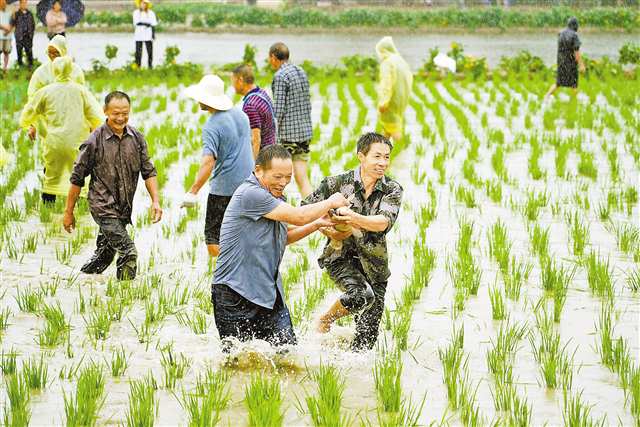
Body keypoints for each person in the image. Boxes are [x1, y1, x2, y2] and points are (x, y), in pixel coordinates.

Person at [212, 144, 349, 350]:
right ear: (258, 171)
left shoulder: (274, 198)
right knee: (237, 363)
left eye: (288, 177)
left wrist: (317, 224)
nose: (283, 183)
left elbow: (282, 236)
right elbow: (299, 216)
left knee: (287, 355)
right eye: (277, 177)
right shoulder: (250, 194)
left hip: (269, 293)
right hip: (234, 292)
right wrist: (330, 201)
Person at [303, 132, 403, 351]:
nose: (382, 163)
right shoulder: (336, 184)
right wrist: (329, 229)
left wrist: (353, 218)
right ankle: (326, 319)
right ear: (361, 156)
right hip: (340, 258)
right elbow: (305, 210)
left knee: (366, 341)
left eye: (386, 157)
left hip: (375, 265)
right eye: (377, 156)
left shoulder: (392, 189)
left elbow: (383, 222)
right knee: (360, 296)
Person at [64, 91, 162, 281]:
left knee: (104, 255)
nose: (120, 117)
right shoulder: (93, 141)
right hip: (102, 207)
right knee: (128, 252)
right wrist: (69, 212)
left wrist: (155, 201)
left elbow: (148, 171)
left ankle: (79, 281)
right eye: (116, 113)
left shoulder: (137, 138)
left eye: (125, 113)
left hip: (123, 208)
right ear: (105, 111)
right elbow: (77, 179)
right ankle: (123, 298)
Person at [181, 74, 254, 258]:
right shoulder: (241, 115)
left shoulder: (212, 126)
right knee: (241, 235)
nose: (198, 100)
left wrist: (193, 191)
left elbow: (208, 161)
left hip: (223, 190)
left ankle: (222, 277)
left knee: (213, 240)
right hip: (248, 186)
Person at [19, 56, 103, 204]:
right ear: (71, 70)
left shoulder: (44, 92)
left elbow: (28, 113)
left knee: (51, 175)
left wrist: (29, 125)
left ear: (54, 70)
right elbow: (96, 116)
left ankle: (48, 210)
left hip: (53, 143)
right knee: (79, 176)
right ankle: (77, 212)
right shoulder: (81, 91)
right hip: (76, 143)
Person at [269, 42, 313, 198]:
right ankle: (314, 210)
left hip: (288, 136)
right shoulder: (301, 71)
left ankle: (279, 213)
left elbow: (278, 110)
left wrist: (272, 136)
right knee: (302, 177)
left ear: (273, 57)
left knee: (277, 179)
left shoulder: (280, 76)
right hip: (305, 134)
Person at [231, 64, 276, 159]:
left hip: (263, 158)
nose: (232, 85)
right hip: (272, 150)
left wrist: (252, 169)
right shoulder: (261, 92)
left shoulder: (250, 105)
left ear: (240, 80)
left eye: (233, 81)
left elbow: (256, 140)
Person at [375, 36, 413, 143]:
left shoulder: (387, 63)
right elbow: (409, 79)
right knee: (387, 130)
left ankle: (404, 151)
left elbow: (386, 84)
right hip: (400, 102)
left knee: (393, 129)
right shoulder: (400, 61)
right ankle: (381, 152)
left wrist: (383, 102)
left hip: (390, 103)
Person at [545, 17, 585, 99]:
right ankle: (574, 102)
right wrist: (581, 65)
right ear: (575, 25)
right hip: (570, 63)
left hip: (561, 62)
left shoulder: (561, 33)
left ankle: (546, 96)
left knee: (558, 83)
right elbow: (576, 53)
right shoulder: (574, 35)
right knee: (574, 84)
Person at [10, 0, 35, 69]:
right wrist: (13, 15)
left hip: (28, 36)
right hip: (19, 36)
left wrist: (31, 35)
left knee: (29, 52)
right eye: (22, 3)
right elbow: (12, 23)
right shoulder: (16, 13)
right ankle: (20, 66)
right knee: (19, 52)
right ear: (20, 4)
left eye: (25, 3)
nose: (24, 4)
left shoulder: (30, 13)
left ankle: (30, 66)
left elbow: (33, 25)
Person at [133, 0, 156, 69]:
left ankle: (150, 66)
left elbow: (153, 24)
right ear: (139, 4)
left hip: (148, 34)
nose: (143, 5)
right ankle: (138, 67)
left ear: (147, 5)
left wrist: (153, 34)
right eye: (142, 3)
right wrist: (146, 24)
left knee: (150, 51)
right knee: (138, 52)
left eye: (145, 4)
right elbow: (136, 23)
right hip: (139, 34)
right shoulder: (136, 12)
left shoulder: (151, 13)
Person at [0, 0, 12, 73]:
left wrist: (8, 30)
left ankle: (5, 68)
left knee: (7, 52)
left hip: (8, 36)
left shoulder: (9, 12)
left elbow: (12, 23)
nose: (3, 4)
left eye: (4, 3)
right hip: (0, 36)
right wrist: (4, 28)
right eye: (2, 3)